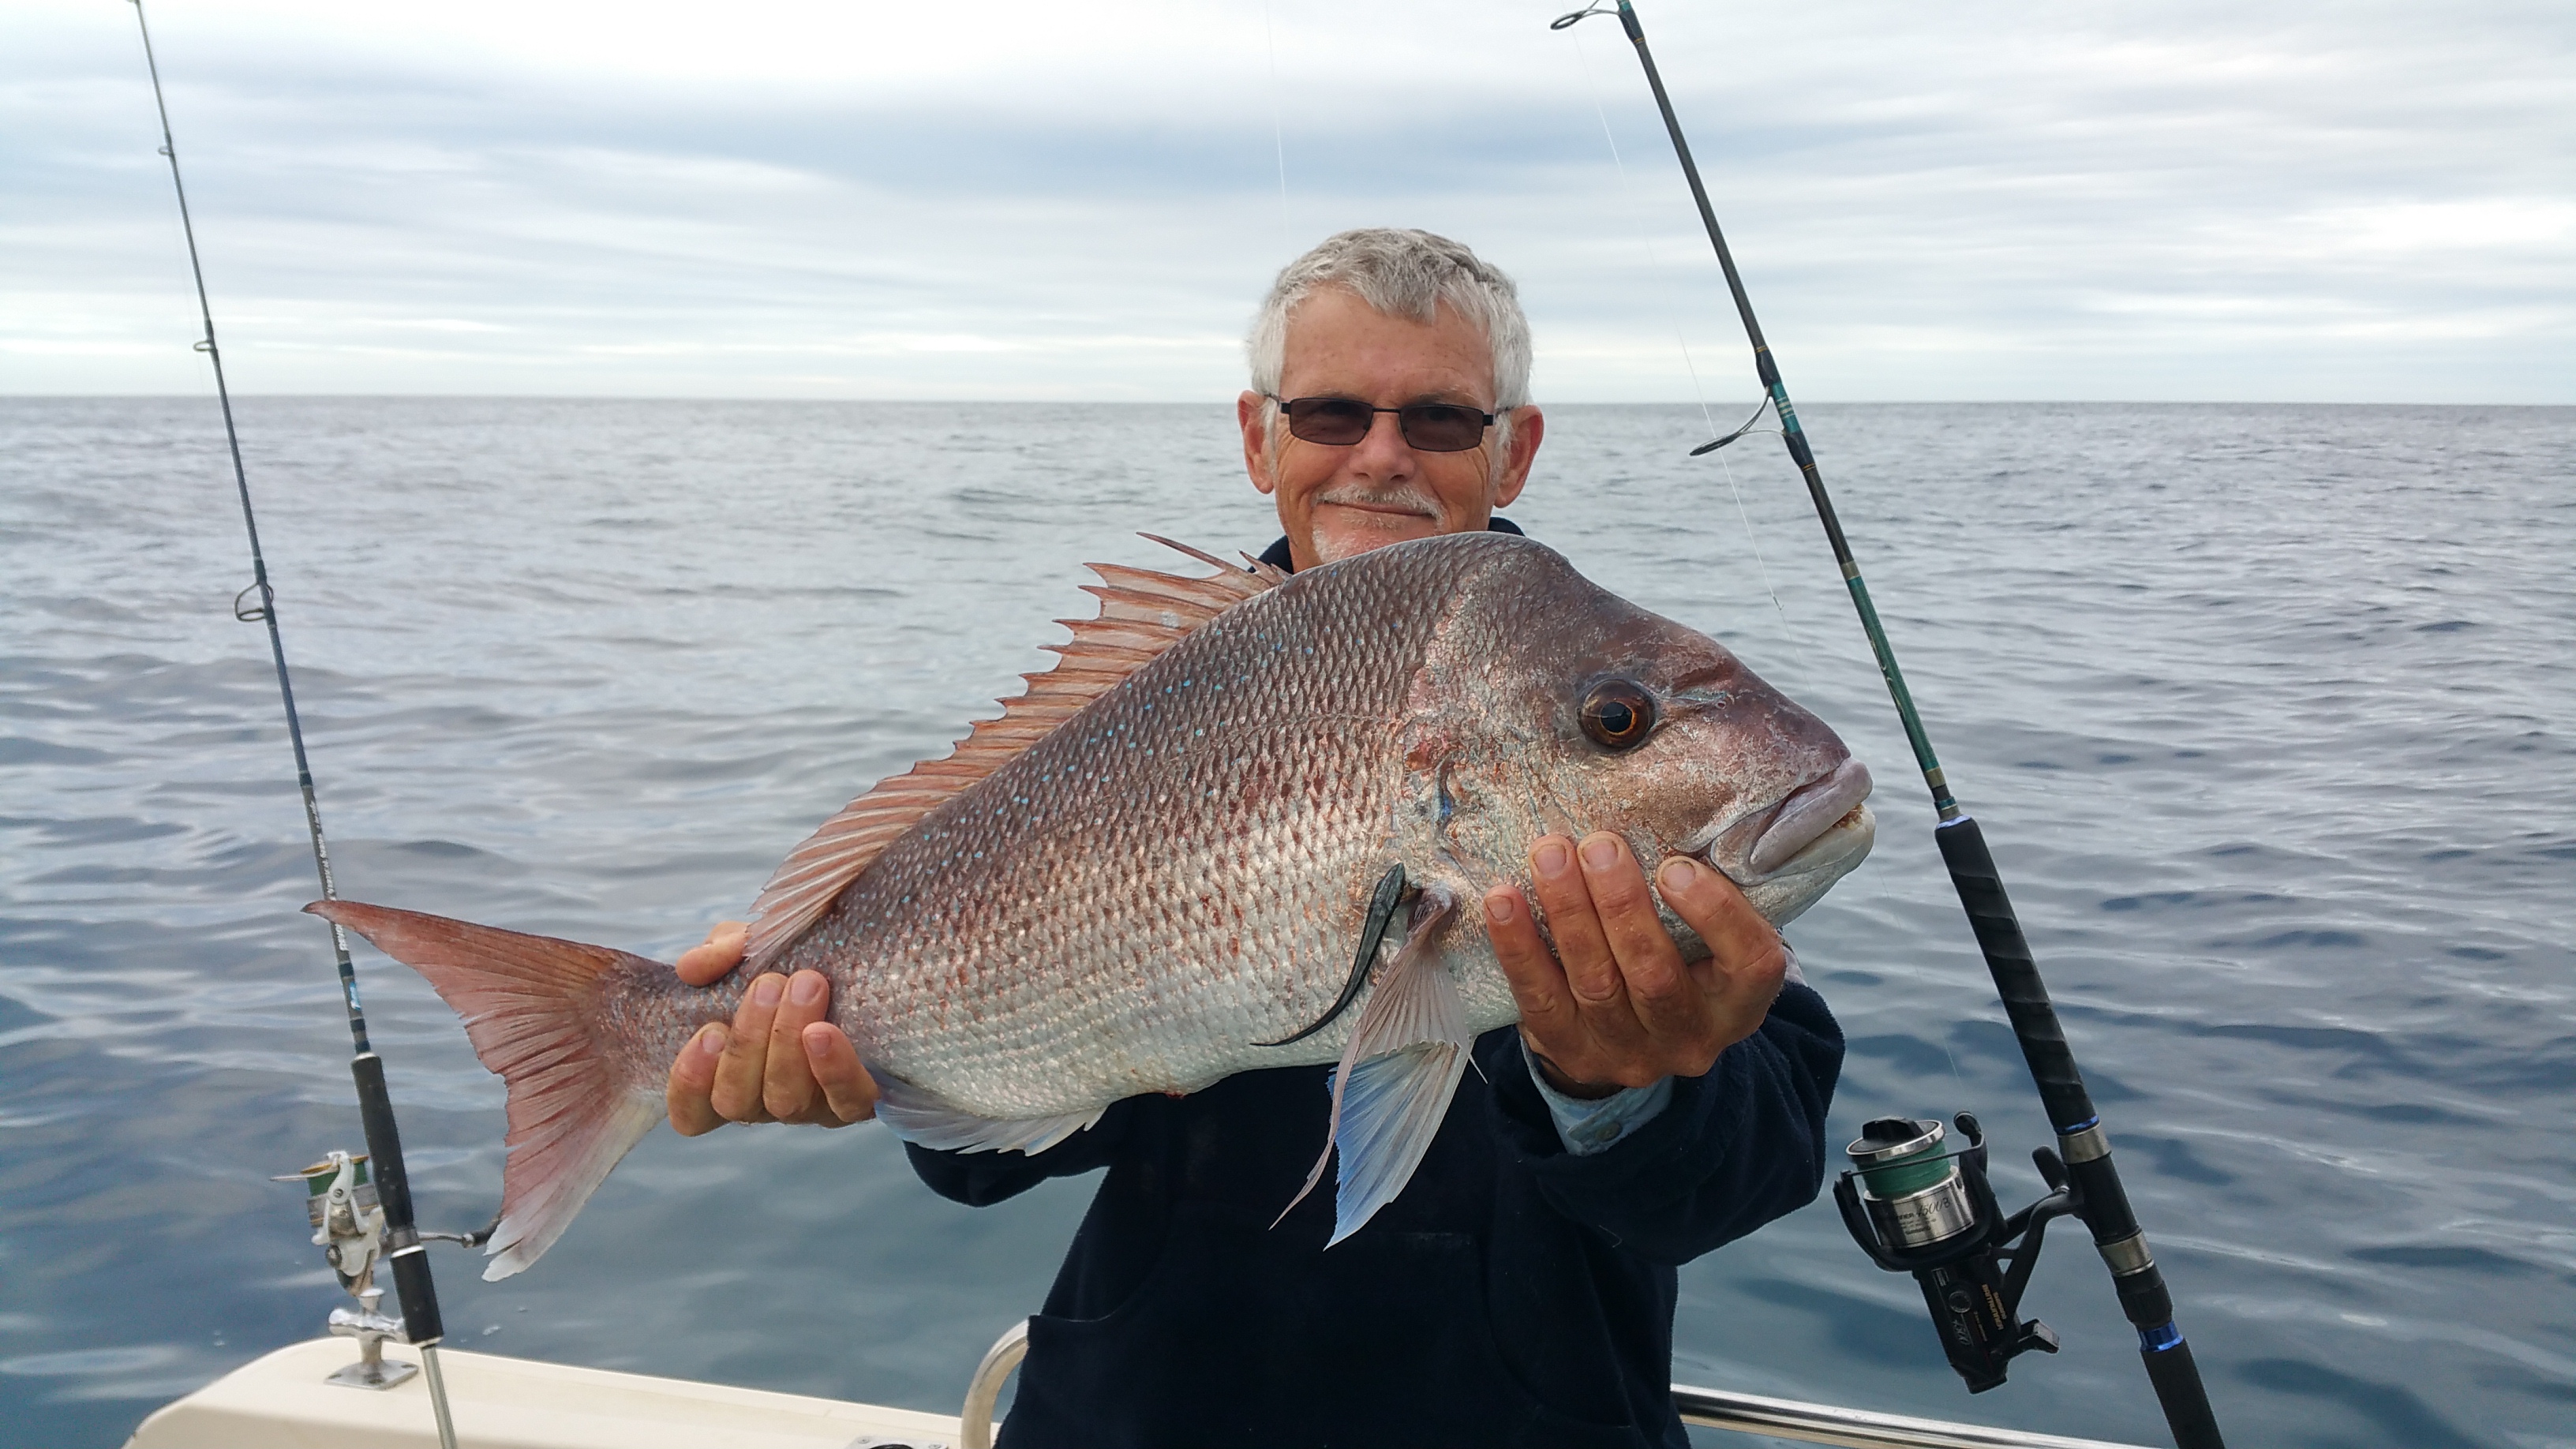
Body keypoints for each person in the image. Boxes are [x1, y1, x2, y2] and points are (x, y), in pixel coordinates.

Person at [662, 229, 1843, 1448]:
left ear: (1513, 448)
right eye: (1331, 413)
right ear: (1258, 436)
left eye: (1439, 420)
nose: (1380, 456)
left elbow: (1742, 1174)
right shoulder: (1145, 704)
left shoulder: (1587, 678)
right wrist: (829, 1043)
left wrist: (1617, 1085)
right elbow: (987, 1163)